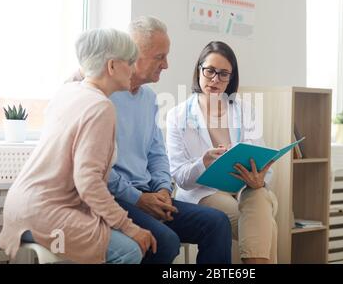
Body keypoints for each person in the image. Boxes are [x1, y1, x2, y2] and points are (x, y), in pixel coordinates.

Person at [69, 16, 232, 264]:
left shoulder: (149, 99)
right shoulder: (100, 96)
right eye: (160, 56)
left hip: (149, 194)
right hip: (118, 197)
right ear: (134, 55)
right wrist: (139, 198)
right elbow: (96, 168)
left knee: (216, 222)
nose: (166, 64)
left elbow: (157, 155)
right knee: (165, 241)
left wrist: (163, 190)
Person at [0, 28, 156, 264]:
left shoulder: (68, 91)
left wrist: (93, 59)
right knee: (129, 250)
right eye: (130, 62)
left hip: (18, 208)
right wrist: (129, 227)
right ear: (112, 66)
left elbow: (82, 70)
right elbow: (88, 182)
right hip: (45, 215)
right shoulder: (100, 107)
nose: (133, 69)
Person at [166, 41, 279, 264]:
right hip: (203, 194)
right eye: (209, 71)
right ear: (199, 70)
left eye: (223, 74)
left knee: (258, 197)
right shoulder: (177, 116)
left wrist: (259, 180)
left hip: (245, 190)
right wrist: (203, 163)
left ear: (231, 78)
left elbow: (265, 163)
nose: (215, 79)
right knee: (267, 225)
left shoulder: (246, 111)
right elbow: (180, 177)